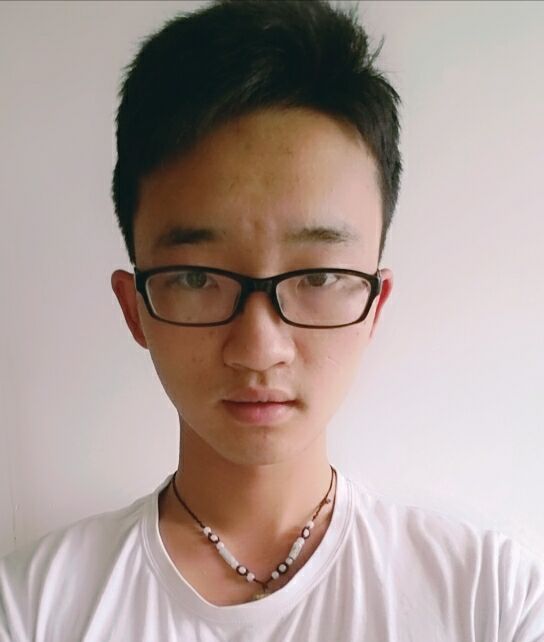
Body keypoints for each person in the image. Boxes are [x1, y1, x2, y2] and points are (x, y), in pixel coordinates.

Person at [1, 0, 543, 639]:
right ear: (135, 307)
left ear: (374, 305)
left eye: (317, 277)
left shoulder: (493, 601)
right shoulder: (31, 607)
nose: (259, 348)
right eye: (197, 277)